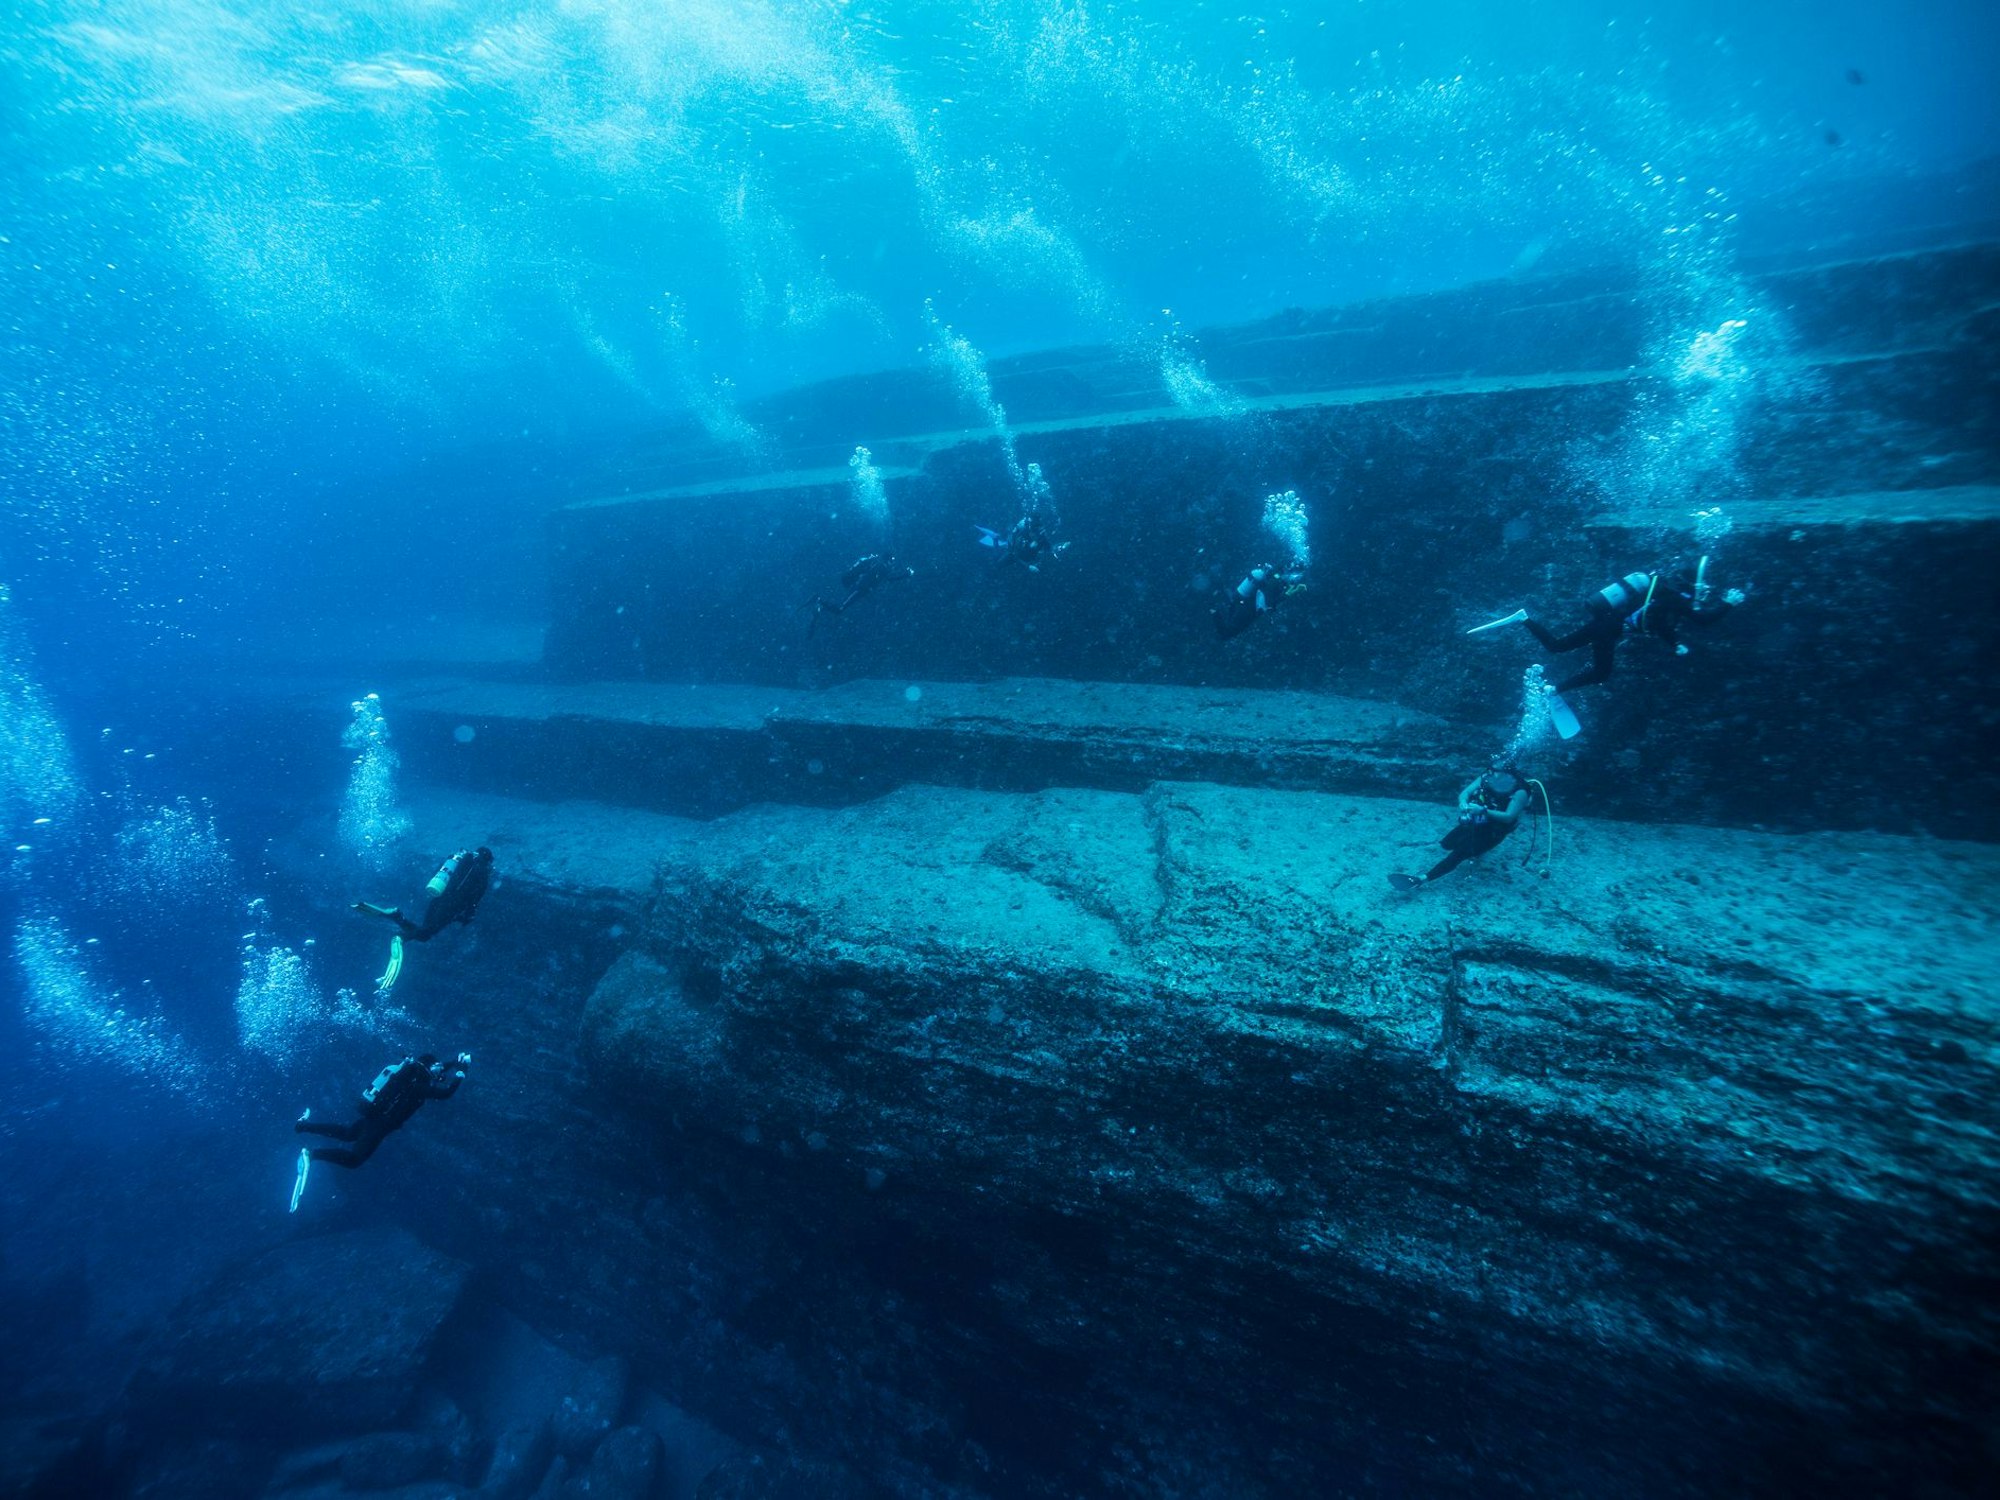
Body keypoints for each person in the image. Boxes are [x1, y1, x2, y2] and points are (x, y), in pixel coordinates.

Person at [1470, 567, 1736, 696]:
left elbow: (1657, 623)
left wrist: (1673, 643)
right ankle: (1553, 689)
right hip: (1609, 629)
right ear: (1693, 586)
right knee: (1601, 673)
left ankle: (1524, 619)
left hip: (1605, 621)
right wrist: (1729, 603)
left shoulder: (1663, 593)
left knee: (1556, 646)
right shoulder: (1676, 599)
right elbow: (1703, 620)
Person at [291, 1052, 469, 1210]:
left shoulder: (411, 1076)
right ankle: (312, 1155)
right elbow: (447, 1093)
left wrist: (454, 1062)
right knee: (354, 1160)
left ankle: (303, 1126)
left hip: (374, 1115)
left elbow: (438, 1068)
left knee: (348, 1134)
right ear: (429, 1067)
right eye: (437, 1068)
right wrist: (461, 1071)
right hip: (380, 1125)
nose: (439, 1072)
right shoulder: (418, 1085)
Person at [354, 847, 494, 991]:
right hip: (452, 906)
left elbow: (440, 873)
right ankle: (400, 936)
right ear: (488, 860)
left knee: (424, 929)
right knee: (425, 934)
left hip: (438, 896)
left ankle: (397, 917)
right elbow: (474, 900)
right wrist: (467, 917)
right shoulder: (483, 873)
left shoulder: (460, 859)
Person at [1389, 769, 1535, 891]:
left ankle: (1421, 879)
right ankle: (1476, 852)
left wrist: (1483, 811)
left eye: (1498, 772)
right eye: (1493, 770)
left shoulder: (1519, 790)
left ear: (1508, 773)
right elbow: (1464, 793)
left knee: (1459, 854)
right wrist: (1463, 803)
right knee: (1447, 843)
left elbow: (1509, 817)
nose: (1493, 775)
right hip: (1478, 820)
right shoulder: (1488, 775)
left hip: (1495, 828)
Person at [805, 554, 912, 634]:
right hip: (859, 589)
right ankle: (819, 600)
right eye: (892, 560)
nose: (892, 563)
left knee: (840, 608)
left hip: (859, 589)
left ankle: (820, 606)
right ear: (888, 559)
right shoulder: (882, 567)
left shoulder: (875, 563)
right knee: (840, 608)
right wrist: (906, 574)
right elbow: (890, 578)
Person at [1213, 562, 1304, 641]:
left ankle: (1215, 607)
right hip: (1248, 609)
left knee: (1230, 625)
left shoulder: (1276, 578)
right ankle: (1213, 610)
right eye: (1296, 577)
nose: (1295, 580)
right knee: (1227, 633)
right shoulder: (1276, 583)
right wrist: (1288, 594)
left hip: (1244, 603)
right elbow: (1269, 603)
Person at [975, 510, 1066, 571]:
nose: (1036, 529)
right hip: (1015, 551)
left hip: (1028, 554)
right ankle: (995, 538)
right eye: (1034, 526)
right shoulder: (1022, 530)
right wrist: (1028, 566)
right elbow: (1014, 554)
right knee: (997, 565)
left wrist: (1058, 548)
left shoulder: (1040, 532)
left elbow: (1048, 547)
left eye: (1038, 526)